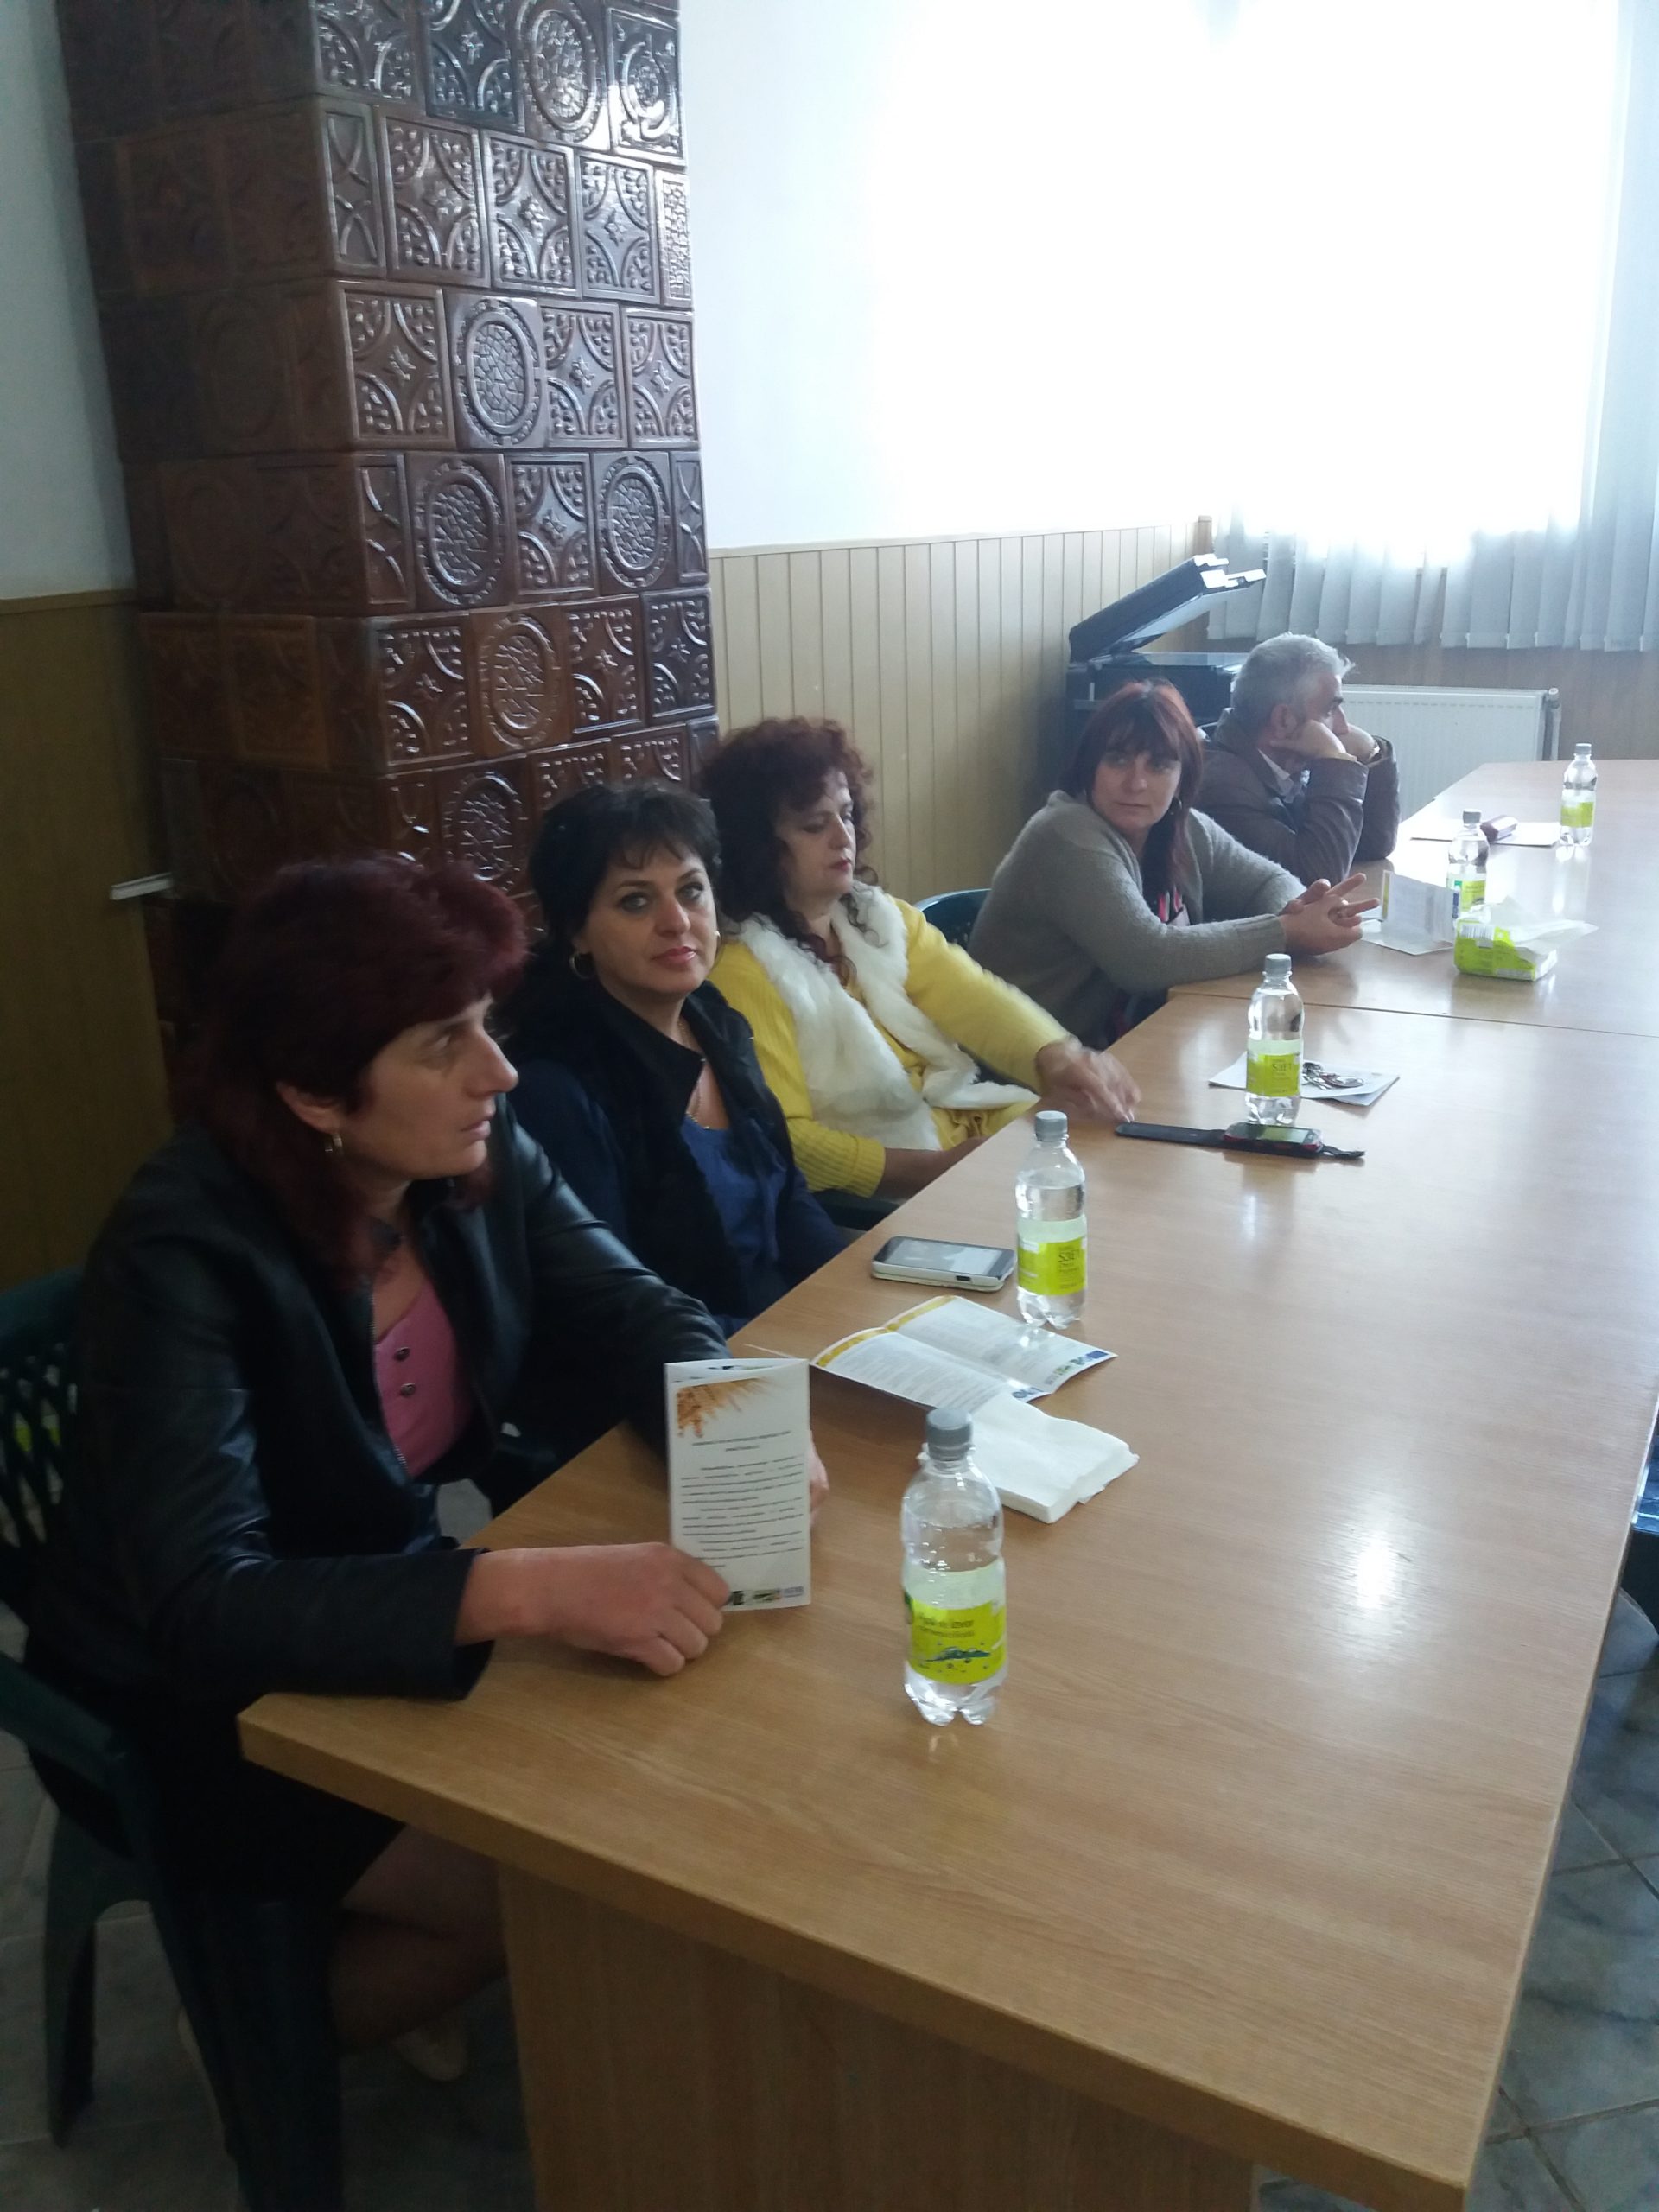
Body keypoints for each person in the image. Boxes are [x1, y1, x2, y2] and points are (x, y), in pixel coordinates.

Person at [26, 855, 741, 2066]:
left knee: (645, 1799)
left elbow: (637, 1309)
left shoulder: (469, 1154)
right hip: (178, 1690)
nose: (499, 1072)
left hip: (375, 1584)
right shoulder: (181, 1249)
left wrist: (734, 1423)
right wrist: (529, 1587)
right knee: (576, 1889)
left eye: (489, 1023)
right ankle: (258, 2030)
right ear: (314, 1093)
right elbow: (205, 1601)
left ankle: (378, 1958)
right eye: (443, 1043)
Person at [698, 718, 1140, 1203]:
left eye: (846, 815)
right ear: (757, 845)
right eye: (814, 825)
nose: (844, 838)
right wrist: (933, 1171)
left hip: (966, 1134)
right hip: (887, 1198)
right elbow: (790, 1141)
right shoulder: (743, 971)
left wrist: (1060, 1056)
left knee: (1120, 1161)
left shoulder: (879, 917)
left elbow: (976, 998)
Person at [501, 780, 844, 1336]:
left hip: (788, 1329)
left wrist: (851, 1305)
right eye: (635, 901)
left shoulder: (713, 1018)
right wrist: (788, 1344)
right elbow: (617, 1309)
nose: (677, 921)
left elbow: (788, 1195)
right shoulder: (556, 1089)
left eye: (691, 891)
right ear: (576, 932)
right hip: (690, 1360)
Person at [968, 680, 1374, 1045]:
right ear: (1089, 767)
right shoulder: (1067, 834)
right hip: (1029, 1066)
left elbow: (1268, 880)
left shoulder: (1183, 825)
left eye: (1159, 765)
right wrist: (1286, 931)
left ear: (1184, 776)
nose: (1136, 782)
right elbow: (1146, 958)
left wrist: (1299, 909)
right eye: (1118, 760)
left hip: (1122, 1047)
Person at [1198, 632, 1400, 879]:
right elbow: (1318, 878)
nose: (1343, 727)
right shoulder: (1225, 788)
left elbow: (1374, 844)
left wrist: (1371, 752)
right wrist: (1336, 762)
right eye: (1331, 709)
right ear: (1284, 720)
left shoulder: (1284, 763)